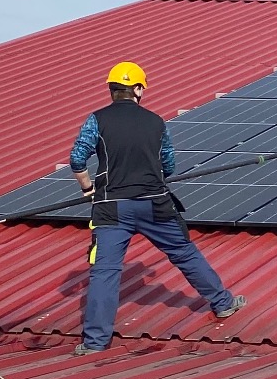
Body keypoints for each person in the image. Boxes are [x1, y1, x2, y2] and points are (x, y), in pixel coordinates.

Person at [70, 61, 246, 356]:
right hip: (155, 203)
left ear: (112, 89)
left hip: (111, 206)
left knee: (105, 272)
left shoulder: (97, 120)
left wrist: (88, 189)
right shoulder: (155, 122)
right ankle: (223, 303)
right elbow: (169, 166)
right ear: (138, 89)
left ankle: (95, 343)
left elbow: (77, 160)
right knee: (184, 253)